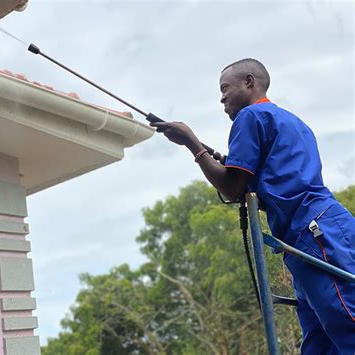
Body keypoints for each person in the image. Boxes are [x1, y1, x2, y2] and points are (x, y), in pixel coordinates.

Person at [150, 58, 355, 354]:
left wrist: (191, 143)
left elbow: (233, 188)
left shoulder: (250, 117)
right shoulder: (293, 123)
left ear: (249, 82)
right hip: (314, 232)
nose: (221, 97)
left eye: (224, 88)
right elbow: (274, 189)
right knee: (320, 344)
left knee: (347, 326)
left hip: (314, 234)